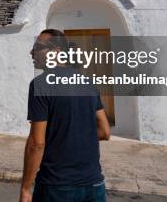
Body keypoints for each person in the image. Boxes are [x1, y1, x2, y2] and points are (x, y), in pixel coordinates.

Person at [20, 29, 111, 202]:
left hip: (57, 186)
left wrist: (25, 189)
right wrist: (75, 137)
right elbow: (105, 131)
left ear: (56, 51)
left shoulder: (41, 84)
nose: (32, 52)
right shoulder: (88, 83)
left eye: (38, 47)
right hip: (94, 184)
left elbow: (37, 144)